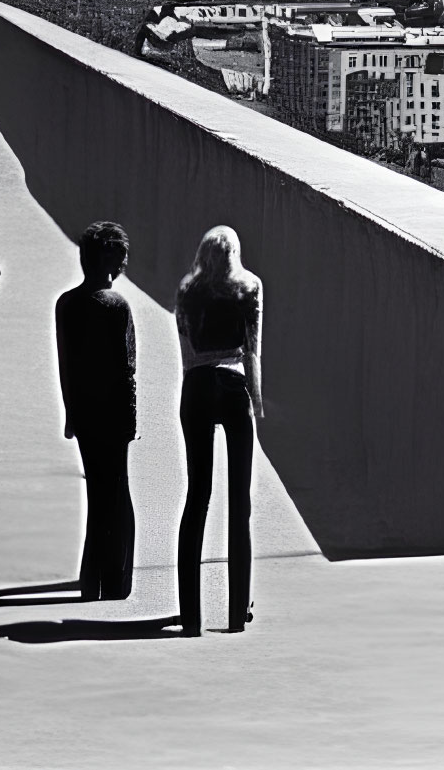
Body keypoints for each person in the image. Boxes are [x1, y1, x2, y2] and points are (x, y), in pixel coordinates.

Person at [175, 226, 263, 636]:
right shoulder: (249, 287)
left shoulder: (187, 291)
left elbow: (187, 356)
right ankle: (234, 614)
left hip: (195, 387)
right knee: (238, 502)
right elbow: (252, 350)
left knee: (197, 498)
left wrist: (191, 392)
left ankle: (190, 616)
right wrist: (256, 402)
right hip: (232, 385)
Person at [56, 222, 137, 601]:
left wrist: (71, 412)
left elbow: (65, 365)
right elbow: (126, 368)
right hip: (113, 416)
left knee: (99, 495)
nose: (124, 261)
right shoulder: (115, 305)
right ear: (106, 258)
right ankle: (116, 581)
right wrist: (131, 419)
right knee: (117, 496)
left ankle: (92, 579)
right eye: (120, 255)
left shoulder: (67, 303)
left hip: (85, 415)